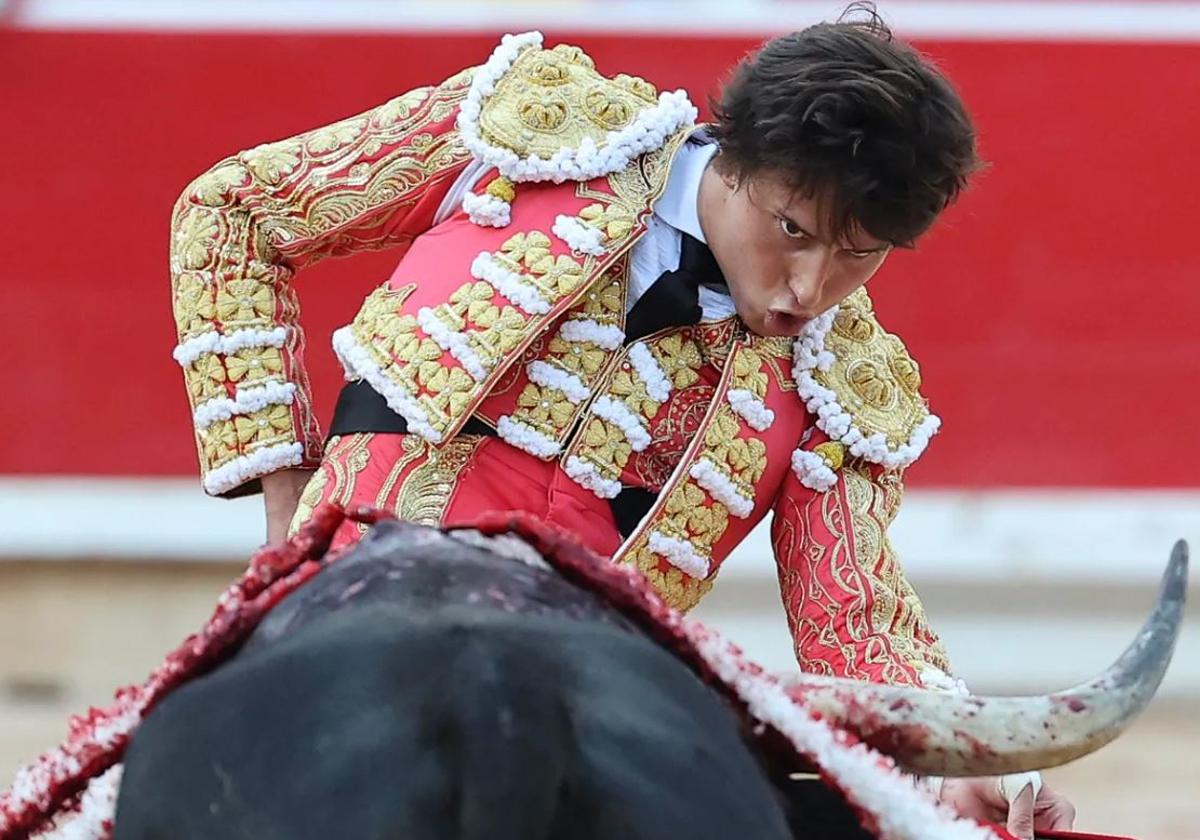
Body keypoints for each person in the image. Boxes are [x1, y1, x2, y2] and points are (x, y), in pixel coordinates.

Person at [168, 6, 1075, 835]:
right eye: (793, 230)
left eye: (860, 255)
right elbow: (235, 213)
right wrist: (284, 500)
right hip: (361, 583)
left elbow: (857, 624)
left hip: (594, 676)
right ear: (732, 153)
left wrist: (957, 763)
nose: (810, 290)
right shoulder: (531, 133)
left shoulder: (844, 388)